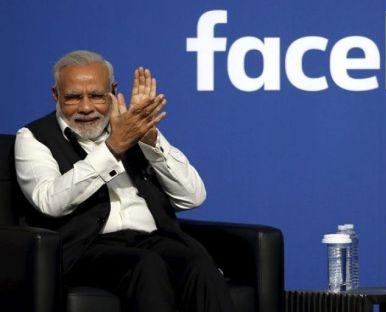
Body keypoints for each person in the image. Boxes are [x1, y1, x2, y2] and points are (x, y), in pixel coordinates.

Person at [14, 50, 235, 312]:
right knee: (146, 265)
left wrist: (149, 139)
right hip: (86, 249)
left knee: (198, 261)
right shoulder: (33, 137)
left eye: (96, 96)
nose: (86, 108)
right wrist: (111, 149)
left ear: (112, 91)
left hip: (151, 238)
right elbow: (49, 201)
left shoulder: (134, 128)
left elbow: (192, 197)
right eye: (73, 98)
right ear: (56, 95)